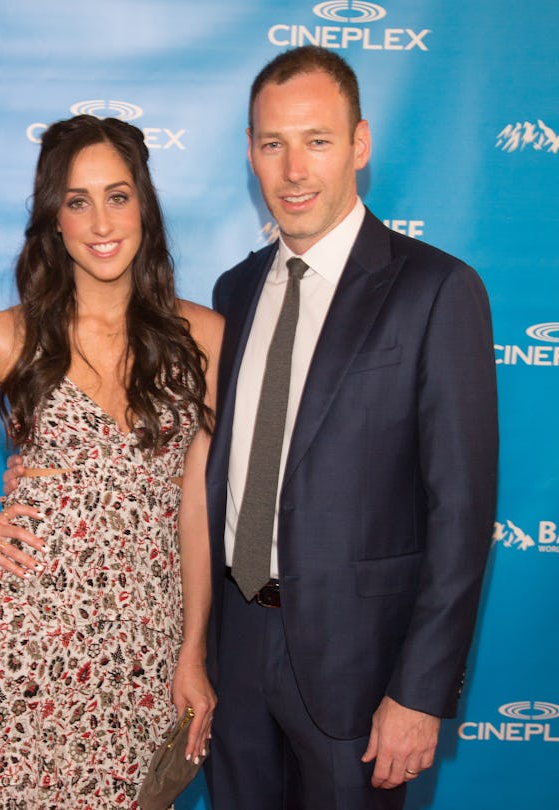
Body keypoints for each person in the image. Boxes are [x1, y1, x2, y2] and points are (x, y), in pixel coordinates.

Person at [0, 114, 221, 810]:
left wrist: (193, 652)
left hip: (140, 654)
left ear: (144, 208)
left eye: (118, 195)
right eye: (77, 200)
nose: (100, 220)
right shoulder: (12, 339)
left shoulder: (204, 339)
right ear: (54, 221)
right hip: (24, 646)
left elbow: (197, 508)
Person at [201, 46, 499, 809]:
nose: (294, 169)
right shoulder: (232, 291)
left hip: (360, 676)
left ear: (360, 145)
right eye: (274, 143)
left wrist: (421, 692)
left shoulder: (437, 290)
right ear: (250, 154)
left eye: (318, 140)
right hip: (233, 648)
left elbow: (460, 513)